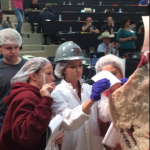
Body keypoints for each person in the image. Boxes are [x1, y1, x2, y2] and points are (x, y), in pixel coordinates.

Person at [51, 41, 123, 150]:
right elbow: (68, 123)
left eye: (80, 65)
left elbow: (105, 114)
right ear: (63, 69)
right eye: (73, 66)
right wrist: (91, 100)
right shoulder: (58, 93)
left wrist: (120, 93)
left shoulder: (89, 89)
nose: (78, 69)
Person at [0, 57, 65, 150]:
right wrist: (46, 102)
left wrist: (54, 135)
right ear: (33, 76)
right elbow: (25, 136)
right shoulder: (26, 96)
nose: (53, 78)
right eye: (48, 74)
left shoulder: (37, 94)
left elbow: (40, 128)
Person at [95, 54, 128, 150]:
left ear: (121, 73)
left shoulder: (134, 90)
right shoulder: (102, 99)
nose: (111, 79)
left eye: (113, 74)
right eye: (106, 75)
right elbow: (104, 133)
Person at [0, 28, 27, 133]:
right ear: (0, 48)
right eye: (9, 48)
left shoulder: (29, 66)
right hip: (3, 117)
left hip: (25, 115)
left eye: (16, 47)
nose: (13, 51)